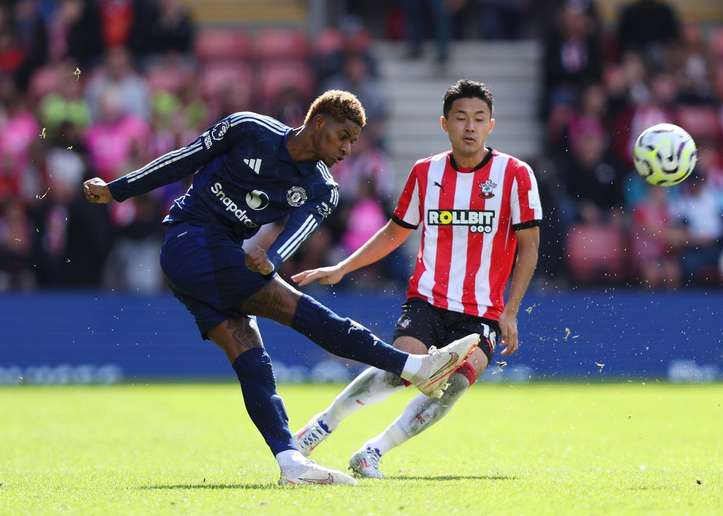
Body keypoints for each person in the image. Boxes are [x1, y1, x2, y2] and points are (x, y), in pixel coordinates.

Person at [82, 90, 479, 485]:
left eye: (354, 141)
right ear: (319, 122)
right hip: (190, 240)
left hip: (219, 262)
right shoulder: (247, 128)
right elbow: (185, 158)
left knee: (252, 357)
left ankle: (291, 462)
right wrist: (118, 189)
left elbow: (297, 232)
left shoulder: (323, 189)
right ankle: (413, 367)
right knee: (298, 310)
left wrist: (272, 258)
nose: (347, 148)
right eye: (343, 135)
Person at [292, 80, 542, 478]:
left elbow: (529, 245)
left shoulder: (515, 174)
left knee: (455, 384)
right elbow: (395, 232)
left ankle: (373, 451)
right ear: (444, 123)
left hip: (483, 310)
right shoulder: (426, 172)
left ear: (491, 125)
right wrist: (342, 268)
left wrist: (511, 311)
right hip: (428, 297)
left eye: (479, 118)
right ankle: (322, 425)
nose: (470, 127)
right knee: (398, 370)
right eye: (461, 118)